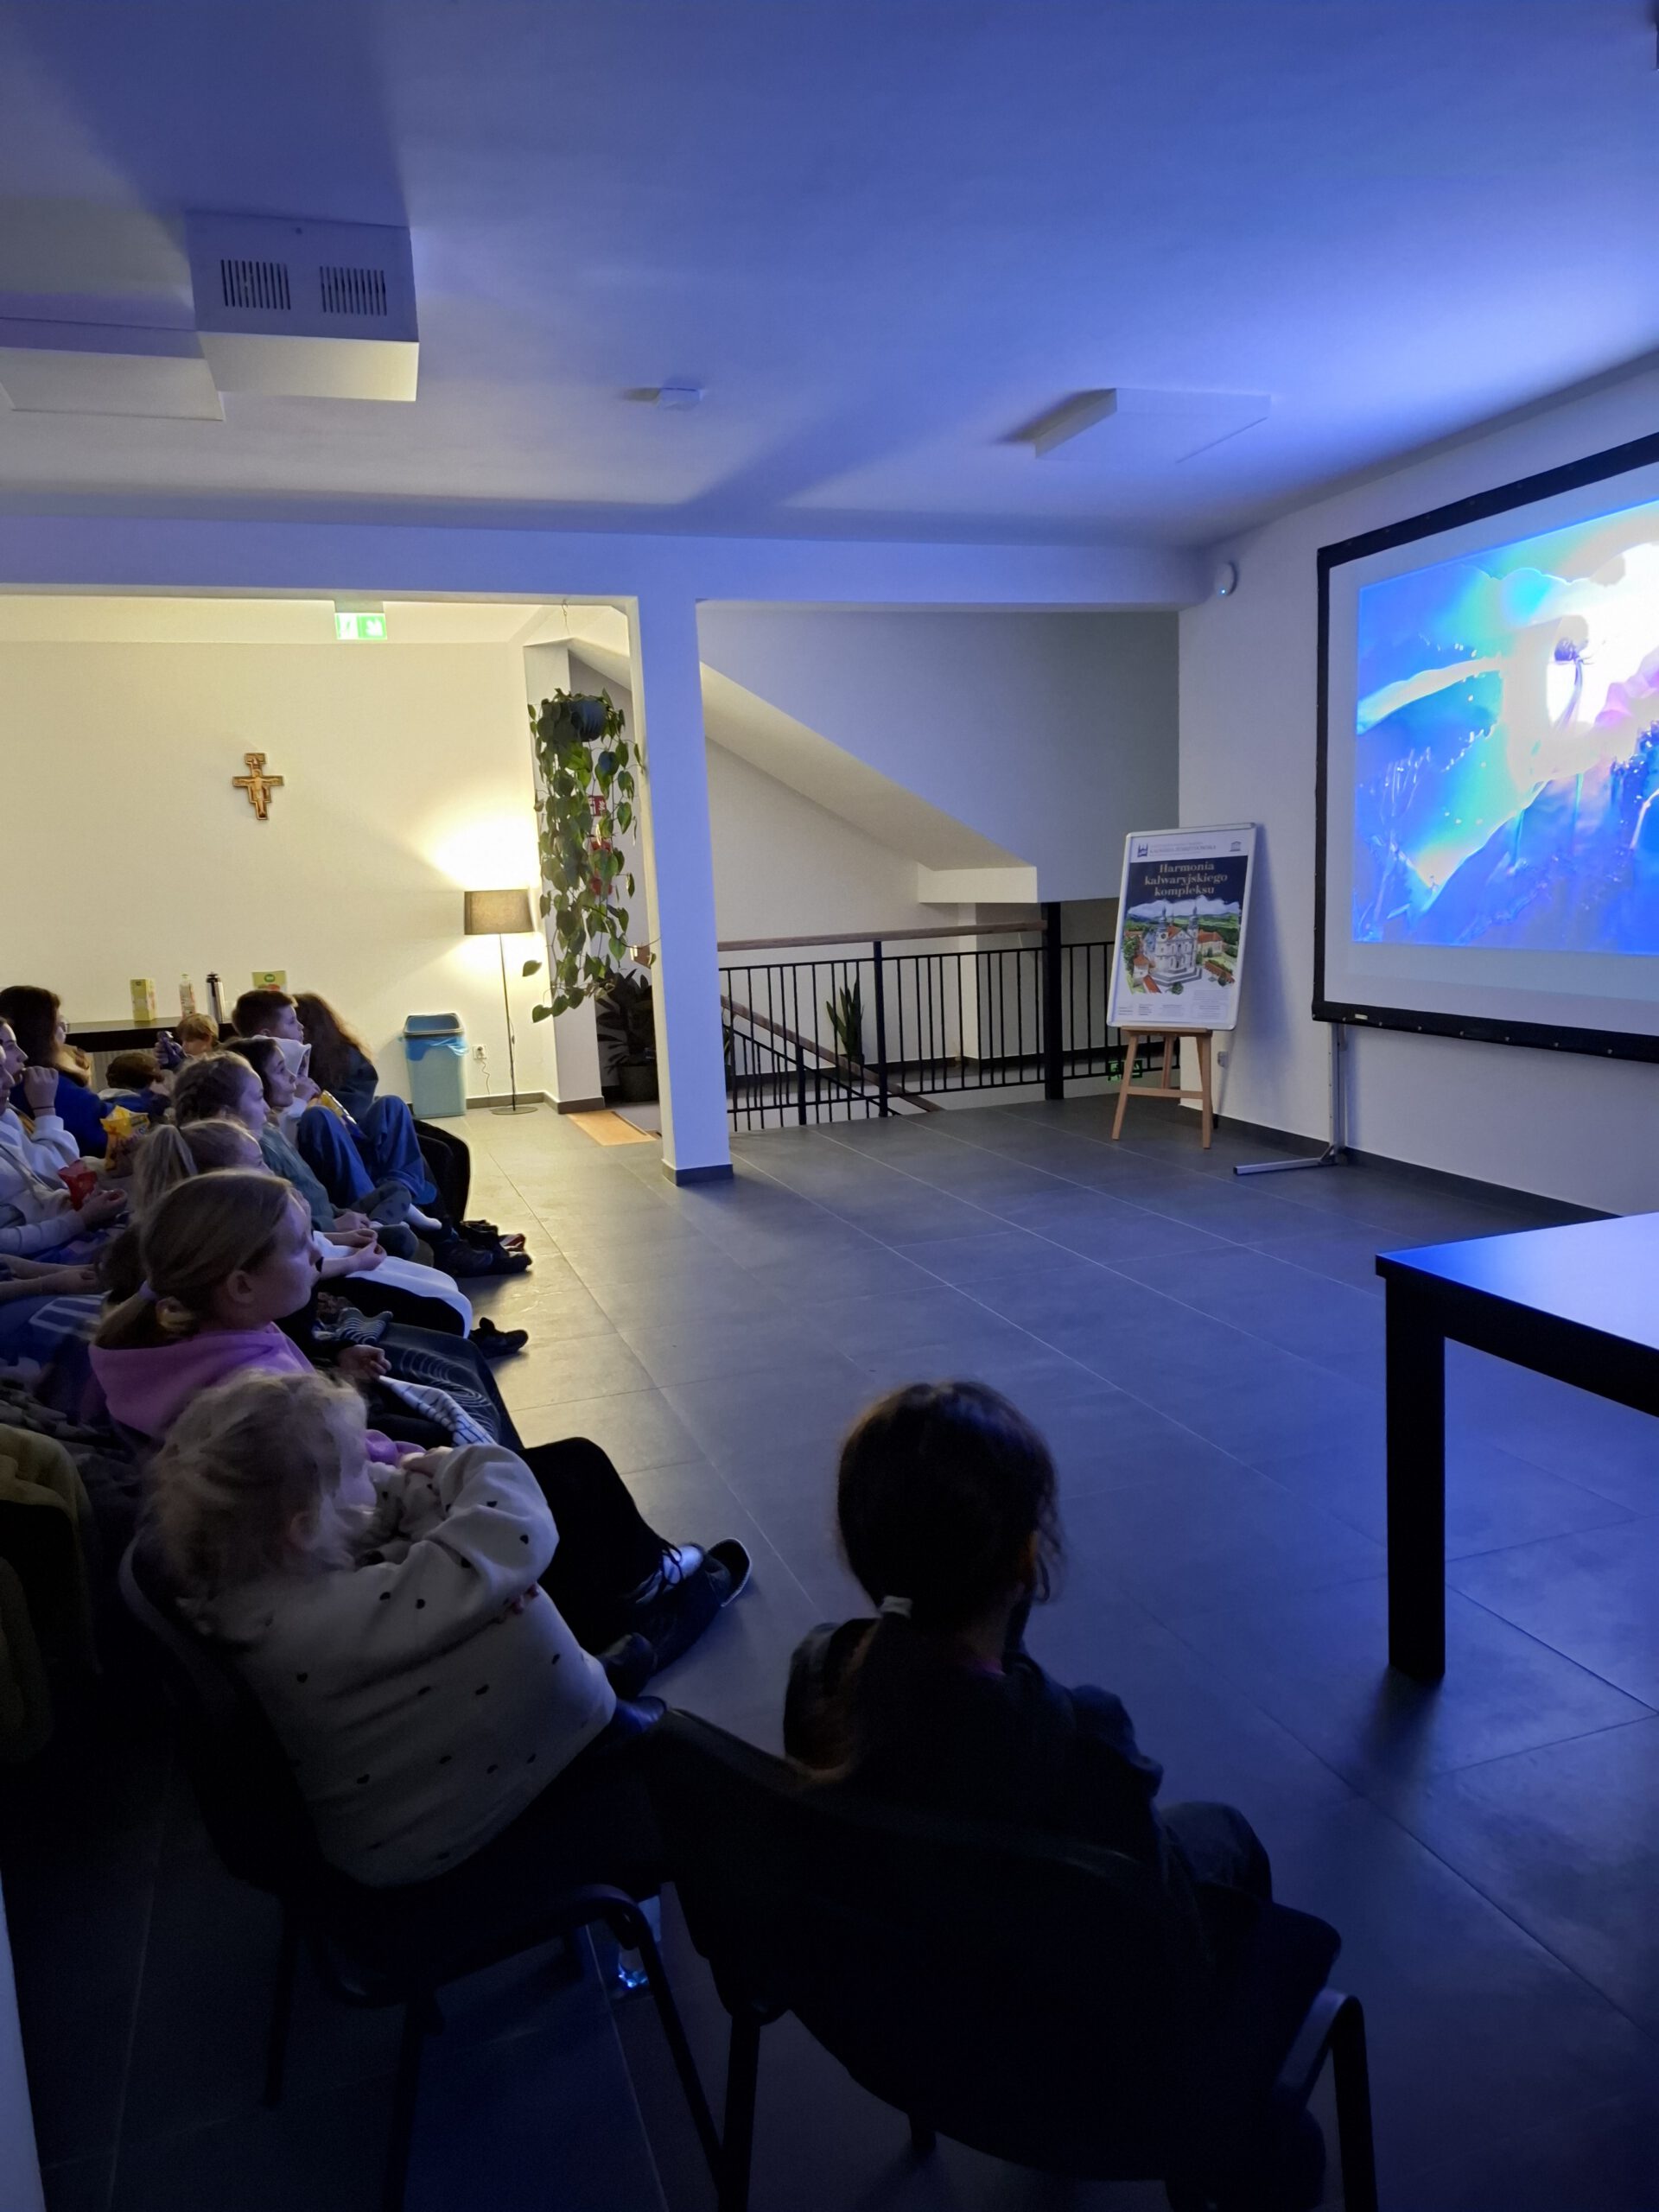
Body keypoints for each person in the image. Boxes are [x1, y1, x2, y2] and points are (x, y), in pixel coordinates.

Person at [93, 1175, 751, 1675]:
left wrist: (340, 1377)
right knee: (569, 1468)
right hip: (348, 1532)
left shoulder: (187, 1346)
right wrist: (417, 1456)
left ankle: (632, 1573)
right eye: (300, 1247)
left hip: (320, 1510)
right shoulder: (240, 1374)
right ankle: (628, 1595)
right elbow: (332, 1468)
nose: (317, 1253)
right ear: (240, 1284)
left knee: (553, 1464)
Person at [147, 1366, 666, 1904]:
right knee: (683, 1763)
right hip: (454, 1832)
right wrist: (455, 1466)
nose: (378, 1469)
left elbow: (385, 1526)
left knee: (469, 1570)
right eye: (359, 1466)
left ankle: (587, 1673)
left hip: (410, 1801)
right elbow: (514, 1532)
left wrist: (405, 1493)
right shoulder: (340, 1620)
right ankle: (604, 1721)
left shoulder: (254, 1583)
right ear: (304, 1527)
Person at [0, 1019, 126, 1258]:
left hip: (57, 1229)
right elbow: (56, 1171)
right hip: (43, 1247)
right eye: (8, 1046)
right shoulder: (31, 1091)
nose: (22, 1055)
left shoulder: (6, 1111)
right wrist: (46, 1110)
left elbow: (37, 1185)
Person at [0, 985, 109, 1156]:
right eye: (58, 1024)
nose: (22, 1055)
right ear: (41, 1034)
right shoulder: (46, 1084)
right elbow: (103, 1126)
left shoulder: (12, 1104)